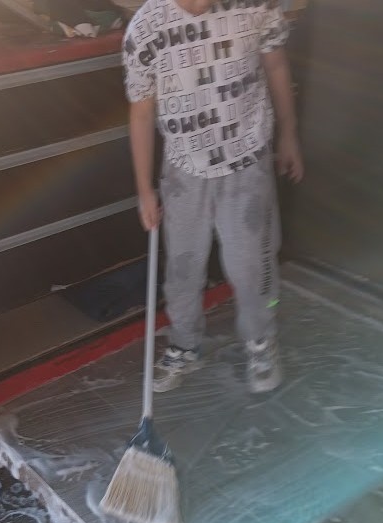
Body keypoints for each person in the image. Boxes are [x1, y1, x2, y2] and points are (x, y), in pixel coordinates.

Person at [122, 0, 303, 393]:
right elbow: (141, 112)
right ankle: (185, 345)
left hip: (248, 161)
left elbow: (276, 65)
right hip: (184, 168)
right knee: (183, 269)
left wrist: (288, 133)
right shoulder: (145, 28)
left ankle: (260, 339)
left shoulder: (256, 5)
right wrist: (144, 190)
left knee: (251, 266)